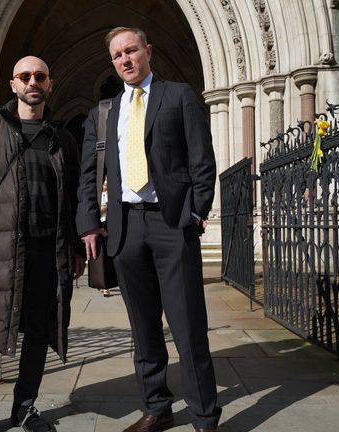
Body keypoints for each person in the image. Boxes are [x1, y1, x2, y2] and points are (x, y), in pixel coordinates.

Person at [76, 27, 220, 432]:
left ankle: (205, 416)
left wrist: (194, 213)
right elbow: (88, 176)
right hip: (125, 228)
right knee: (143, 329)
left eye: (131, 50)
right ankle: (157, 407)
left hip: (171, 224)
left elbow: (201, 160)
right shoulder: (103, 112)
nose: (125, 59)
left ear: (147, 51)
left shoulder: (179, 96)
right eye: (117, 55)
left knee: (188, 326)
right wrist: (89, 223)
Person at [0, 55, 85, 432]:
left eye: (40, 76)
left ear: (49, 84)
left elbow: (74, 198)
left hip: (47, 251)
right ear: (13, 84)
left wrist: (74, 248)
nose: (33, 82)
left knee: (39, 334)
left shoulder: (62, 139)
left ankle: (24, 408)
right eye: (25, 76)